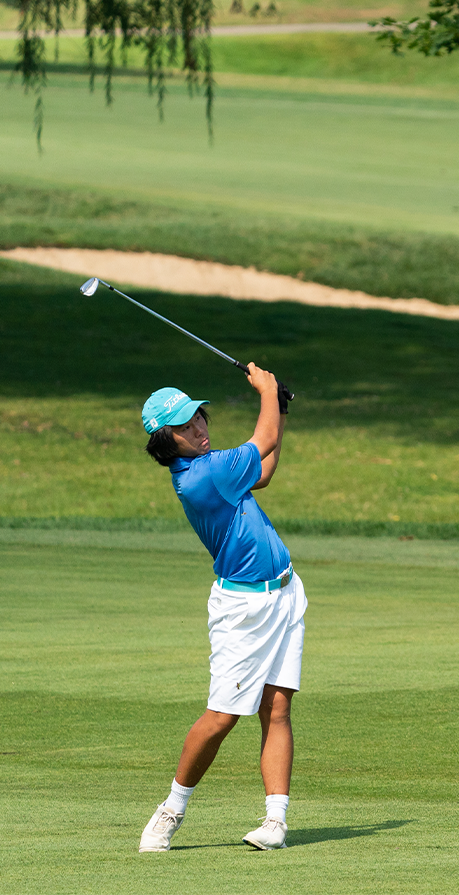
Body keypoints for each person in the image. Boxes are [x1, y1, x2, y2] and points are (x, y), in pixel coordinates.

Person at [136, 364, 304, 853]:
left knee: (276, 709)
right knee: (222, 717)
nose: (200, 430)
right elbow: (263, 436)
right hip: (243, 609)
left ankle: (275, 821)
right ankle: (171, 809)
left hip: (286, 594)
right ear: (167, 441)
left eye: (199, 419)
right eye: (186, 428)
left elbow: (265, 470)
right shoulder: (201, 477)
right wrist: (267, 392)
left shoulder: (218, 470)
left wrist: (281, 407)